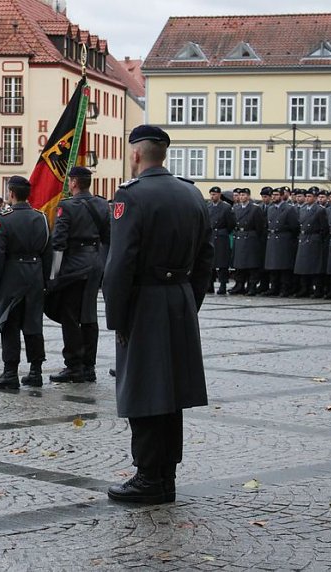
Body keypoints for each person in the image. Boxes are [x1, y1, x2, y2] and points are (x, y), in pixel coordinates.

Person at [103, 125, 213, 504]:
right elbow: (205, 258)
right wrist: (187, 301)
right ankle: (166, 474)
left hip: (145, 302)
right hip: (179, 298)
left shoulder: (130, 196)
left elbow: (120, 264)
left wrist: (117, 317)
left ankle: (148, 477)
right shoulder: (191, 193)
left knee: (145, 389)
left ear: (135, 154)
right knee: (171, 392)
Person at [47, 166, 110, 383]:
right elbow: (107, 236)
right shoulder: (102, 204)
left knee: (70, 317)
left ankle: (74, 365)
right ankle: (89, 366)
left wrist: (54, 274)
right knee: (89, 316)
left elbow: (58, 243)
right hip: (95, 264)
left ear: (73, 182)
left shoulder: (67, 206)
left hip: (74, 267)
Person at [0, 176, 52, 389]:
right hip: (34, 274)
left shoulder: (4, 218)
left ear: (11, 194)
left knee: (9, 324)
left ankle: (10, 372)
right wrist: (45, 281)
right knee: (33, 324)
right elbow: (47, 252)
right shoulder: (41, 217)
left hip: (11, 276)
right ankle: (36, 371)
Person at [229, 188, 266, 295]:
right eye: (240, 195)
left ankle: (252, 286)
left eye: (244, 195)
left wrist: (255, 237)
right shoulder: (236, 208)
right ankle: (239, 285)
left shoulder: (255, 209)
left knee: (251, 265)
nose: (241, 197)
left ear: (248, 196)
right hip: (239, 236)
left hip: (250, 237)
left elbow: (260, 227)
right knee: (239, 265)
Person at [293, 188, 329, 298]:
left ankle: (318, 289)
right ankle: (305, 288)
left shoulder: (319, 210)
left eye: (310, 196)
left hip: (314, 239)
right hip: (304, 237)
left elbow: (324, 228)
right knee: (303, 266)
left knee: (315, 267)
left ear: (315, 198)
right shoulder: (303, 209)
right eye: (307, 196)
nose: (308, 198)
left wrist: (318, 238)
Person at [263, 187, 299, 296]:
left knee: (284, 266)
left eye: (276, 195)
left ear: (282, 196)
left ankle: (285, 288)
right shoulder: (270, 208)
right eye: (273, 195)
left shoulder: (289, 209)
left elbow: (294, 226)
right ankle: (274, 287)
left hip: (284, 239)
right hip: (272, 237)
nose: (274, 197)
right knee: (273, 266)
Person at [207, 186, 235, 295]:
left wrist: (224, 232)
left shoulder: (226, 207)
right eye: (211, 194)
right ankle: (210, 285)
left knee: (222, 263)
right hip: (211, 235)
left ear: (219, 195)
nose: (213, 196)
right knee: (211, 263)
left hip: (221, 236)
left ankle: (223, 284)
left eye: (214, 194)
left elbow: (231, 223)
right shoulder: (208, 206)